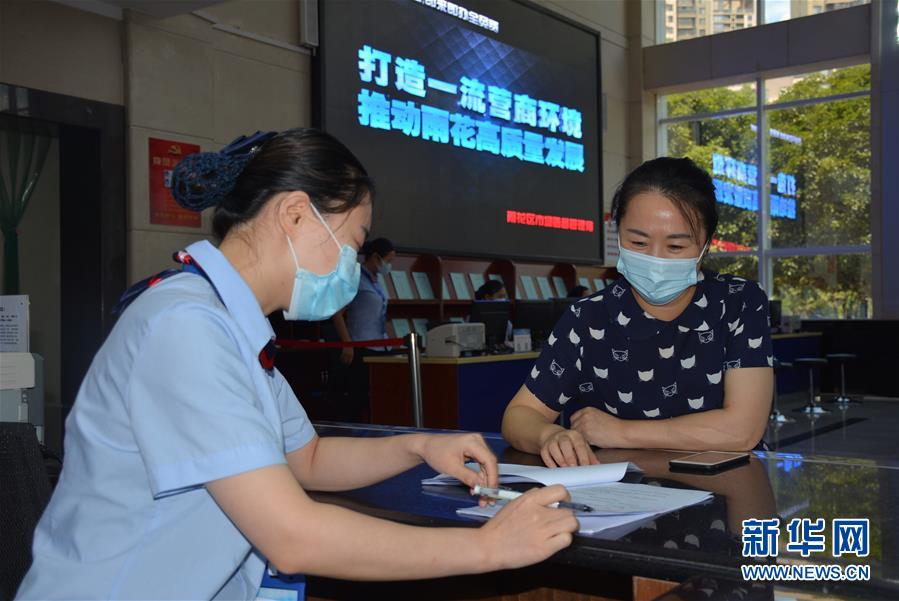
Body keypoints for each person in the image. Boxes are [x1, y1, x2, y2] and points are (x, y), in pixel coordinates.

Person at [15, 129, 578, 601]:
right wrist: (488, 547)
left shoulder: (229, 325)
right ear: (294, 214)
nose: (352, 265)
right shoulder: (184, 326)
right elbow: (292, 536)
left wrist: (418, 446)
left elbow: (306, 458)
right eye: (353, 242)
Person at [502, 157, 774, 467]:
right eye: (638, 242)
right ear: (617, 234)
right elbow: (519, 415)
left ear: (706, 246)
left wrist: (619, 432)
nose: (655, 259)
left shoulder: (738, 302)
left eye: (675, 247)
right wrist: (548, 435)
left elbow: (742, 430)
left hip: (726, 484)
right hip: (620, 491)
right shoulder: (589, 317)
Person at [331, 237, 394, 421]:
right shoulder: (355, 278)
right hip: (361, 346)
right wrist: (347, 344)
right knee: (359, 399)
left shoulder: (376, 280)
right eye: (388, 260)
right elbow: (337, 313)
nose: (389, 265)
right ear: (375, 257)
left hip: (381, 346)